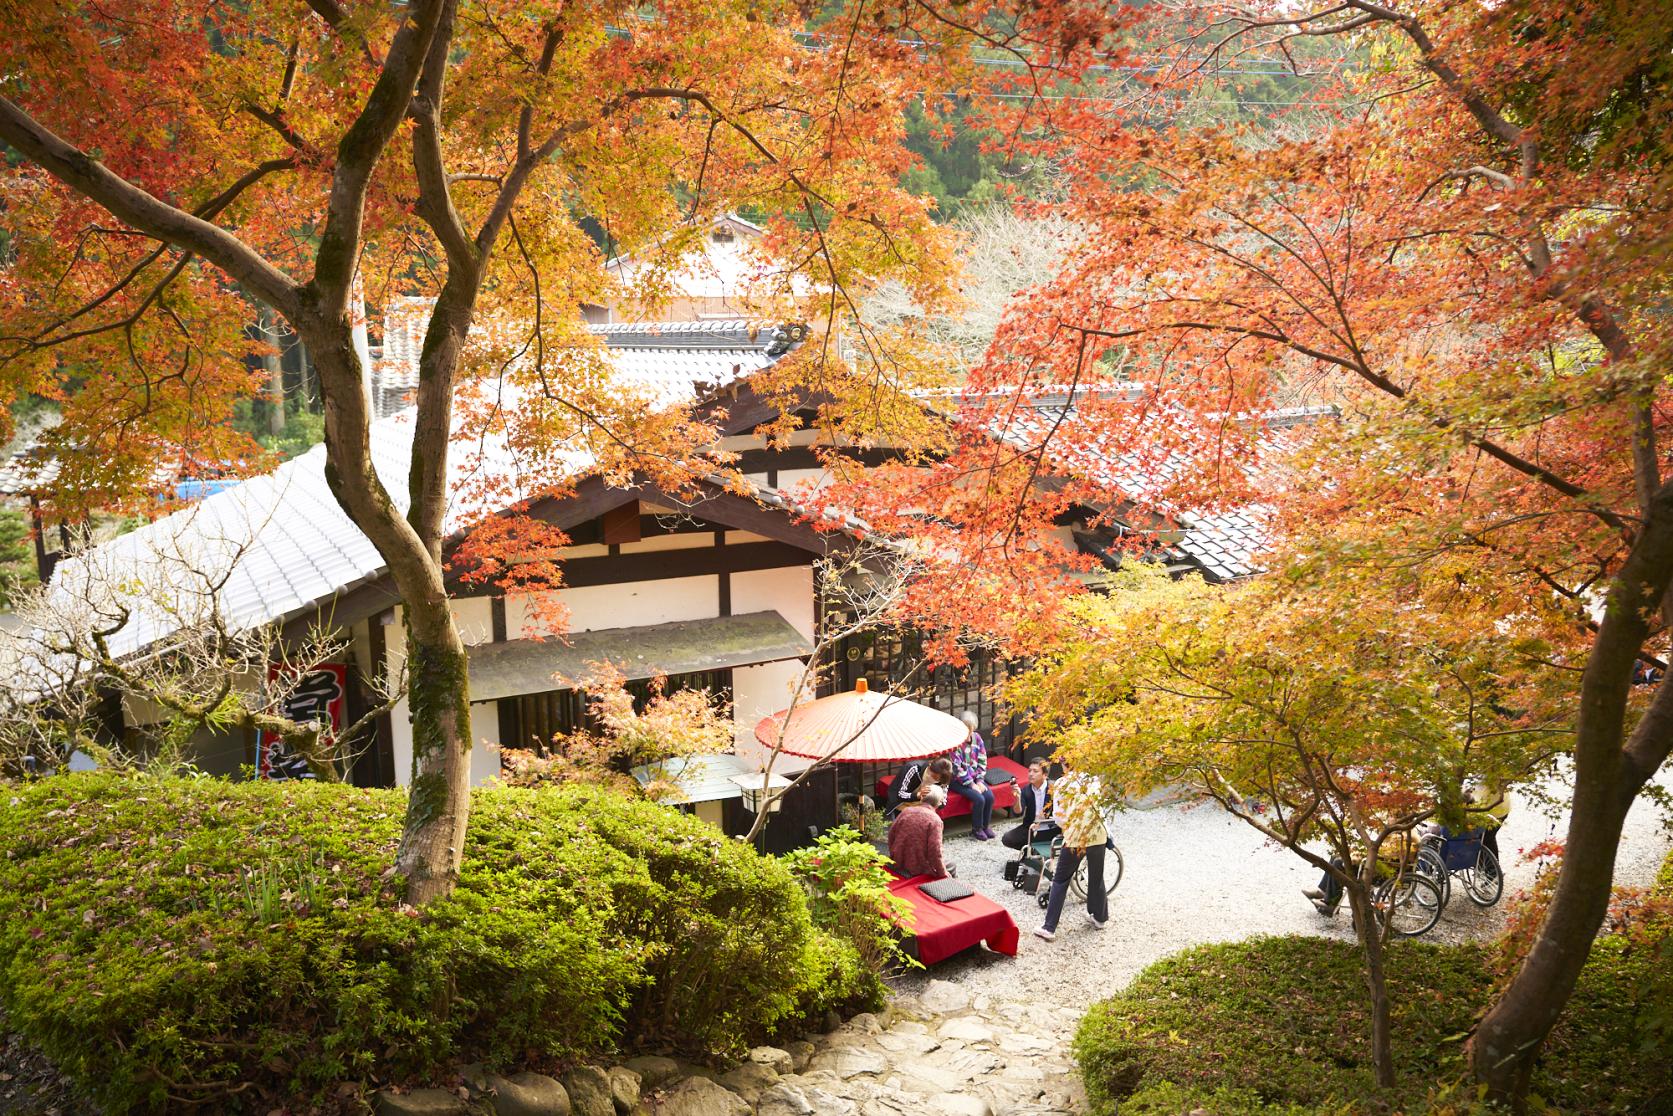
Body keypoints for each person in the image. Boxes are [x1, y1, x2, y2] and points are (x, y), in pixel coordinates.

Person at [1034, 766, 1109, 940]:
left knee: (1060, 879)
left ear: (1063, 763)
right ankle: (1100, 918)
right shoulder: (1094, 779)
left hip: (1076, 836)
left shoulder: (1062, 783)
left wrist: (1067, 828)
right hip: (1098, 833)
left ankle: (1049, 927)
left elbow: (1059, 816)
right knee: (1097, 876)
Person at [949, 711, 998, 840]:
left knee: (989, 796)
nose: (969, 734)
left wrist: (980, 780)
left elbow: (983, 759)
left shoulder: (977, 738)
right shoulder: (955, 742)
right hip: (957, 780)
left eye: (971, 730)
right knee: (979, 798)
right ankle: (976, 829)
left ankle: (985, 826)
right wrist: (971, 784)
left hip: (976, 777)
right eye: (966, 730)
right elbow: (956, 768)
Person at [888, 783, 953, 879]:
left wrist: (894, 854)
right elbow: (935, 851)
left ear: (922, 798)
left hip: (898, 861)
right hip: (919, 867)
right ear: (939, 803)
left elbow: (891, 835)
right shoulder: (935, 820)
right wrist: (943, 873)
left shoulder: (906, 811)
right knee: (951, 865)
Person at [1002, 758, 1057, 850]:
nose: (1031, 774)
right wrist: (1018, 797)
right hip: (1031, 826)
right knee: (1007, 839)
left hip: (1050, 827)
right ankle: (1030, 850)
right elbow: (1018, 812)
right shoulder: (1026, 790)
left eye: (1035, 771)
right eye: (1030, 771)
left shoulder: (1054, 788)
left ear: (1045, 775)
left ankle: (1035, 851)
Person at [889, 755, 953, 814]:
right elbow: (900, 794)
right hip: (901, 805)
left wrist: (936, 801)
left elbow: (943, 802)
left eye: (937, 779)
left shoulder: (944, 780)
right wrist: (918, 795)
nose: (932, 779)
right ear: (930, 765)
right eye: (933, 775)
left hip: (924, 809)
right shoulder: (913, 768)